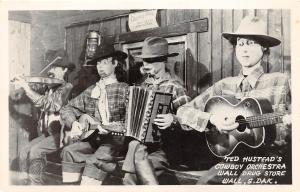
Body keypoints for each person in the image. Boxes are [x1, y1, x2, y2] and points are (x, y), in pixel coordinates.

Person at [176, 16, 291, 184]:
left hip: (271, 159)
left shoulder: (281, 81)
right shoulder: (223, 86)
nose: (244, 49)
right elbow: (182, 111)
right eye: (240, 43)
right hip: (233, 157)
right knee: (203, 184)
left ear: (264, 47)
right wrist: (212, 119)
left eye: (251, 43)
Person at [122, 36, 191, 185]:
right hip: (140, 148)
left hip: (165, 150)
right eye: (145, 60)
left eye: (151, 60)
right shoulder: (141, 86)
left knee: (132, 176)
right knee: (129, 173)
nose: (146, 64)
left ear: (164, 60)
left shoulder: (175, 87)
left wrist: (173, 119)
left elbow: (191, 122)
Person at [60, 40, 129, 185]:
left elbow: (130, 122)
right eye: (98, 63)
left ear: (115, 63)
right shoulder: (92, 89)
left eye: (104, 62)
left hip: (115, 143)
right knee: (69, 152)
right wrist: (73, 123)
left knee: (95, 161)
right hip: (94, 141)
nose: (100, 67)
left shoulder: (124, 89)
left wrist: (111, 128)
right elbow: (67, 108)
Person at [14, 52, 75, 185]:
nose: (50, 71)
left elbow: (50, 105)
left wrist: (26, 87)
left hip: (62, 134)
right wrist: (22, 82)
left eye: (55, 67)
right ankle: (25, 183)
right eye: (50, 67)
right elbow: (34, 88)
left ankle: (36, 184)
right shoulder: (49, 87)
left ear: (65, 70)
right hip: (49, 133)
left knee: (36, 151)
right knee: (24, 151)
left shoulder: (67, 88)